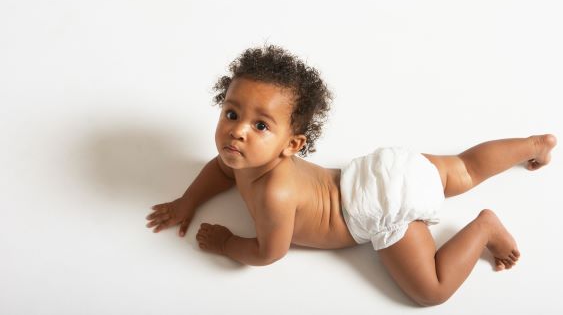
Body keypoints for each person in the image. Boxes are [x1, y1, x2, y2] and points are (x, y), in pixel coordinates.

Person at [146, 44, 557, 306]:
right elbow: (218, 171)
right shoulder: (241, 157)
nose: (236, 131)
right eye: (232, 114)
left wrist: (226, 242)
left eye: (260, 126)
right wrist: (188, 201)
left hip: (378, 210)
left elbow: (269, 252)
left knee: (430, 291)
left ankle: (485, 228)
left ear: (293, 145)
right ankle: (532, 145)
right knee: (464, 168)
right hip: (383, 169)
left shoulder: (275, 192)